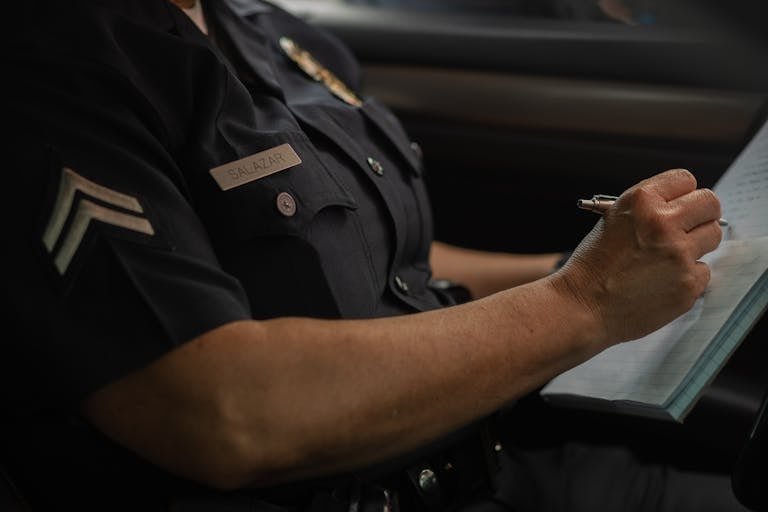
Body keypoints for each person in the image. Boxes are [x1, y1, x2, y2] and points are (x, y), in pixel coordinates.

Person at [1, 0, 748, 510]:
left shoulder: (262, 29)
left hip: (496, 459)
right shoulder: (52, 71)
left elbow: (402, 269)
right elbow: (225, 410)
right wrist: (584, 301)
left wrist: (603, 264)